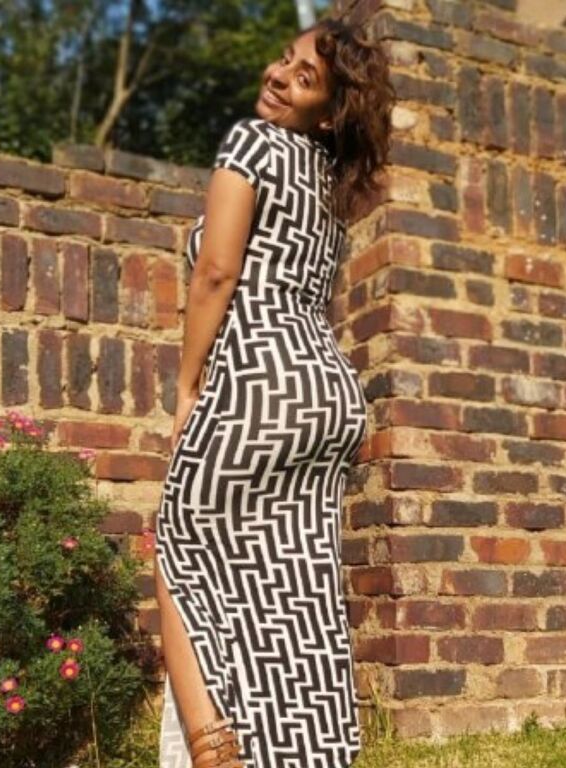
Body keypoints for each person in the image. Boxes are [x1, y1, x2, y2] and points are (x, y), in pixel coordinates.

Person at [154, 10, 394, 768]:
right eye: (285, 60)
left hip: (259, 381)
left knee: (179, 544)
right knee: (292, 585)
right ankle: (307, 751)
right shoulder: (330, 184)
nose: (280, 77)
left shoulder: (251, 144)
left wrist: (188, 385)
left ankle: (213, 748)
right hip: (327, 394)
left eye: (305, 78)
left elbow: (216, 273)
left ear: (328, 112)